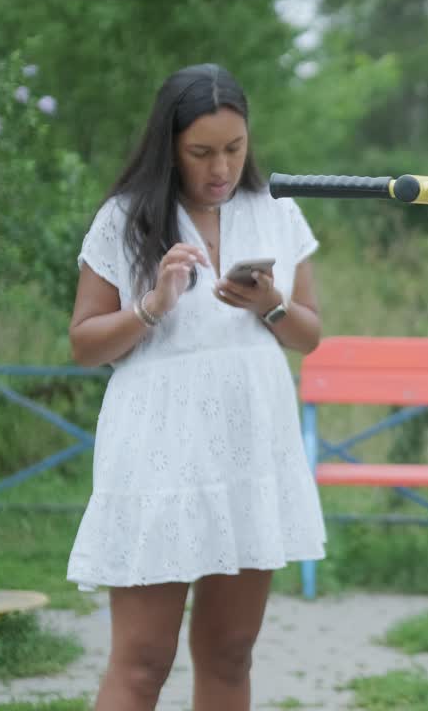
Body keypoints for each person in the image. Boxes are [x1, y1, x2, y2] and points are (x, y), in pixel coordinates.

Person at [66, 63, 327, 711]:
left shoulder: (276, 212)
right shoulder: (125, 218)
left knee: (230, 653)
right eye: (202, 153)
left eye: (234, 149)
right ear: (170, 147)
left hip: (250, 446)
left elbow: (308, 334)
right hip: (158, 450)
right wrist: (153, 304)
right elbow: (83, 343)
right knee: (143, 660)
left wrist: (268, 304)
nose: (221, 168)